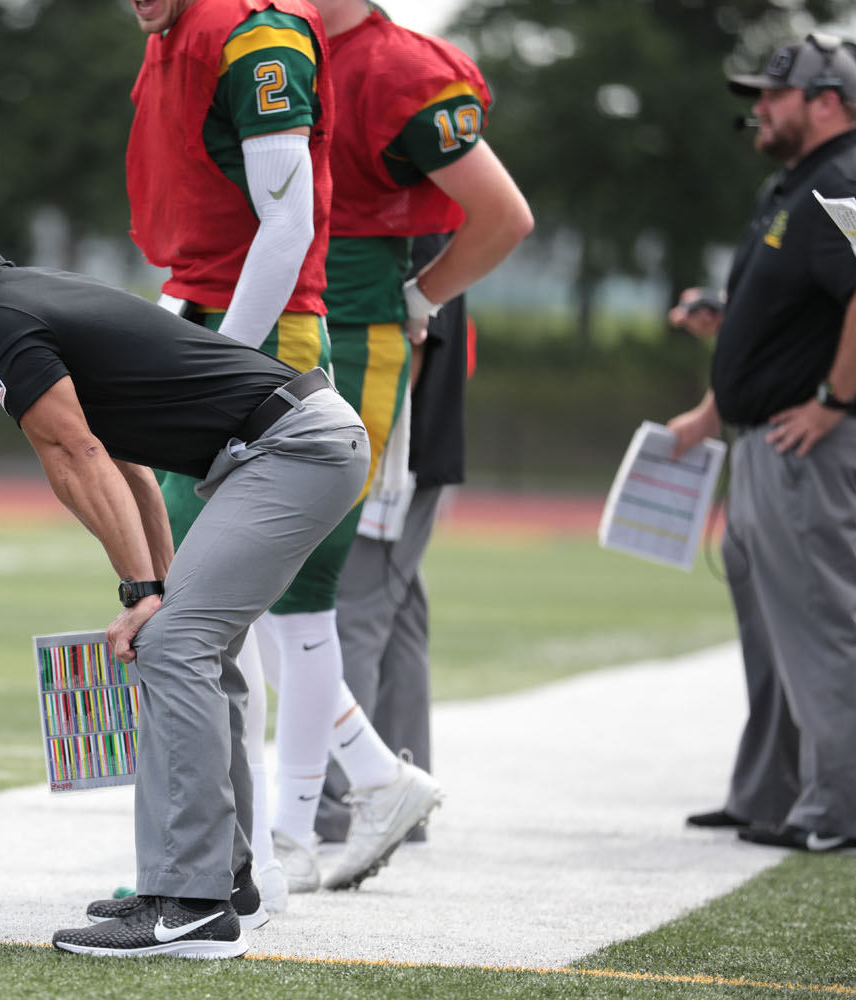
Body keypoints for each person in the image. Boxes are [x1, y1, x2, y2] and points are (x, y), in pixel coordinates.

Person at [0, 176, 370, 956]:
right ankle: (226, 885)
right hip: (291, 443)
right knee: (189, 642)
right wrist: (155, 584)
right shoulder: (15, 301)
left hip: (291, 448)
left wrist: (146, 592)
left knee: (175, 642)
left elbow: (75, 454)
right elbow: (129, 465)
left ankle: (193, 903)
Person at [122, 0, 438, 904]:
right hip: (217, 318)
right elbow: (204, 241)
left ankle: (250, 852)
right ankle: (305, 818)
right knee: (234, 617)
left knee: (212, 620)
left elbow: (288, 223)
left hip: (269, 344)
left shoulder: (257, 31)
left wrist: (203, 362)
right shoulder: (175, 32)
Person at [303, 0, 532, 867]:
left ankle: (347, 797)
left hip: (395, 357)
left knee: (352, 592)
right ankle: (399, 788)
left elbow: (503, 216)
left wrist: (418, 297)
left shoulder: (399, 66)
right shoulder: (300, 49)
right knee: (390, 600)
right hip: (361, 345)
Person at [668, 33, 856, 853]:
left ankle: (840, 806)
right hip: (758, 442)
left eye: (776, 95)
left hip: (802, 446)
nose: (759, 109)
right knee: (772, 630)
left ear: (828, 101)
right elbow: (789, 314)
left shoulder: (843, 180)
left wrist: (835, 401)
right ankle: (771, 792)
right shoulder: (795, 185)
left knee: (819, 621)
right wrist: (716, 399)